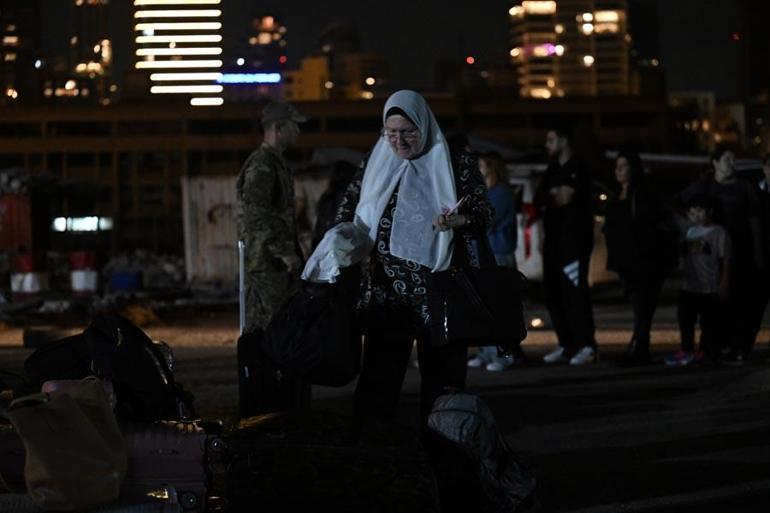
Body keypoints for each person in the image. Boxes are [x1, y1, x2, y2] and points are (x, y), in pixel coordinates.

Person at [303, 90, 494, 432]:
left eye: (408, 131)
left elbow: (483, 212)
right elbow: (349, 209)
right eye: (391, 133)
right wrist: (343, 236)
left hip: (440, 291)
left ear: (424, 125)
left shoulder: (454, 162)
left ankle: (446, 450)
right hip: (386, 294)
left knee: (443, 380)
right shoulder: (376, 161)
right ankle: (375, 454)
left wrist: (457, 221)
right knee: (380, 378)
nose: (399, 141)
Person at [678, 147, 763, 363]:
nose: (731, 164)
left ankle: (737, 346)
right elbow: (684, 204)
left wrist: (758, 251)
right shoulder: (705, 186)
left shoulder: (744, 187)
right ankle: (712, 346)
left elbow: (754, 220)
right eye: (726, 159)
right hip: (709, 259)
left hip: (739, 252)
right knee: (713, 306)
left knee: (739, 302)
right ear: (715, 163)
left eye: (733, 160)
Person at [236, 100, 307, 333]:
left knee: (282, 329)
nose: (297, 131)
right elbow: (254, 216)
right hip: (265, 266)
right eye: (293, 126)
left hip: (274, 265)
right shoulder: (262, 165)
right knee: (267, 330)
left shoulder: (275, 164)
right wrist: (283, 252)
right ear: (279, 129)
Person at [602, 150, 676, 365]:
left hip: (645, 261)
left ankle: (640, 348)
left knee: (643, 306)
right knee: (639, 308)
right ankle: (638, 346)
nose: (619, 171)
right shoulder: (618, 195)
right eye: (617, 166)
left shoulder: (643, 194)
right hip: (626, 261)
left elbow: (651, 226)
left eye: (623, 166)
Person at [534, 127, 597, 365]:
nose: (547, 144)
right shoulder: (552, 169)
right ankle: (567, 344)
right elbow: (539, 198)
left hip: (574, 242)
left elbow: (565, 197)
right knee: (553, 293)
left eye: (551, 139)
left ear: (564, 140)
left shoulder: (578, 167)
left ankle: (587, 346)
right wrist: (553, 194)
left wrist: (554, 195)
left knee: (575, 293)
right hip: (553, 241)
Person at [467, 152, 520, 371]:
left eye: (481, 165)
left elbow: (489, 220)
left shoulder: (501, 193)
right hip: (485, 253)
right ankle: (488, 352)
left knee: (500, 306)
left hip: (498, 252)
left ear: (491, 167)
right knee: (486, 306)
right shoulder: (488, 193)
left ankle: (505, 354)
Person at [665, 194, 731, 365]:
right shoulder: (689, 232)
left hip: (709, 287)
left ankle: (706, 351)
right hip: (689, 287)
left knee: (708, 323)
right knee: (685, 319)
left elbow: (726, 259)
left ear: (709, 212)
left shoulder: (719, 232)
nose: (695, 216)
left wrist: (724, 283)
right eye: (692, 213)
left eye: (699, 212)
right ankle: (686, 350)